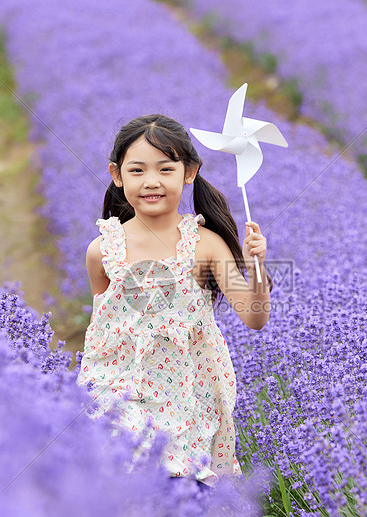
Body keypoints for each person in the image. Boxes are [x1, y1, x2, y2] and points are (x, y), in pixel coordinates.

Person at [77, 114, 272, 487]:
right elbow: (100, 330)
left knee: (182, 490)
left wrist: (257, 267)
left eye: (165, 169)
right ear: (117, 176)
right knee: (128, 475)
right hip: (121, 386)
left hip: (186, 391)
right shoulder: (101, 251)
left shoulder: (206, 246)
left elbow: (254, 316)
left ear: (189, 172)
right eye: (137, 171)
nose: (151, 182)